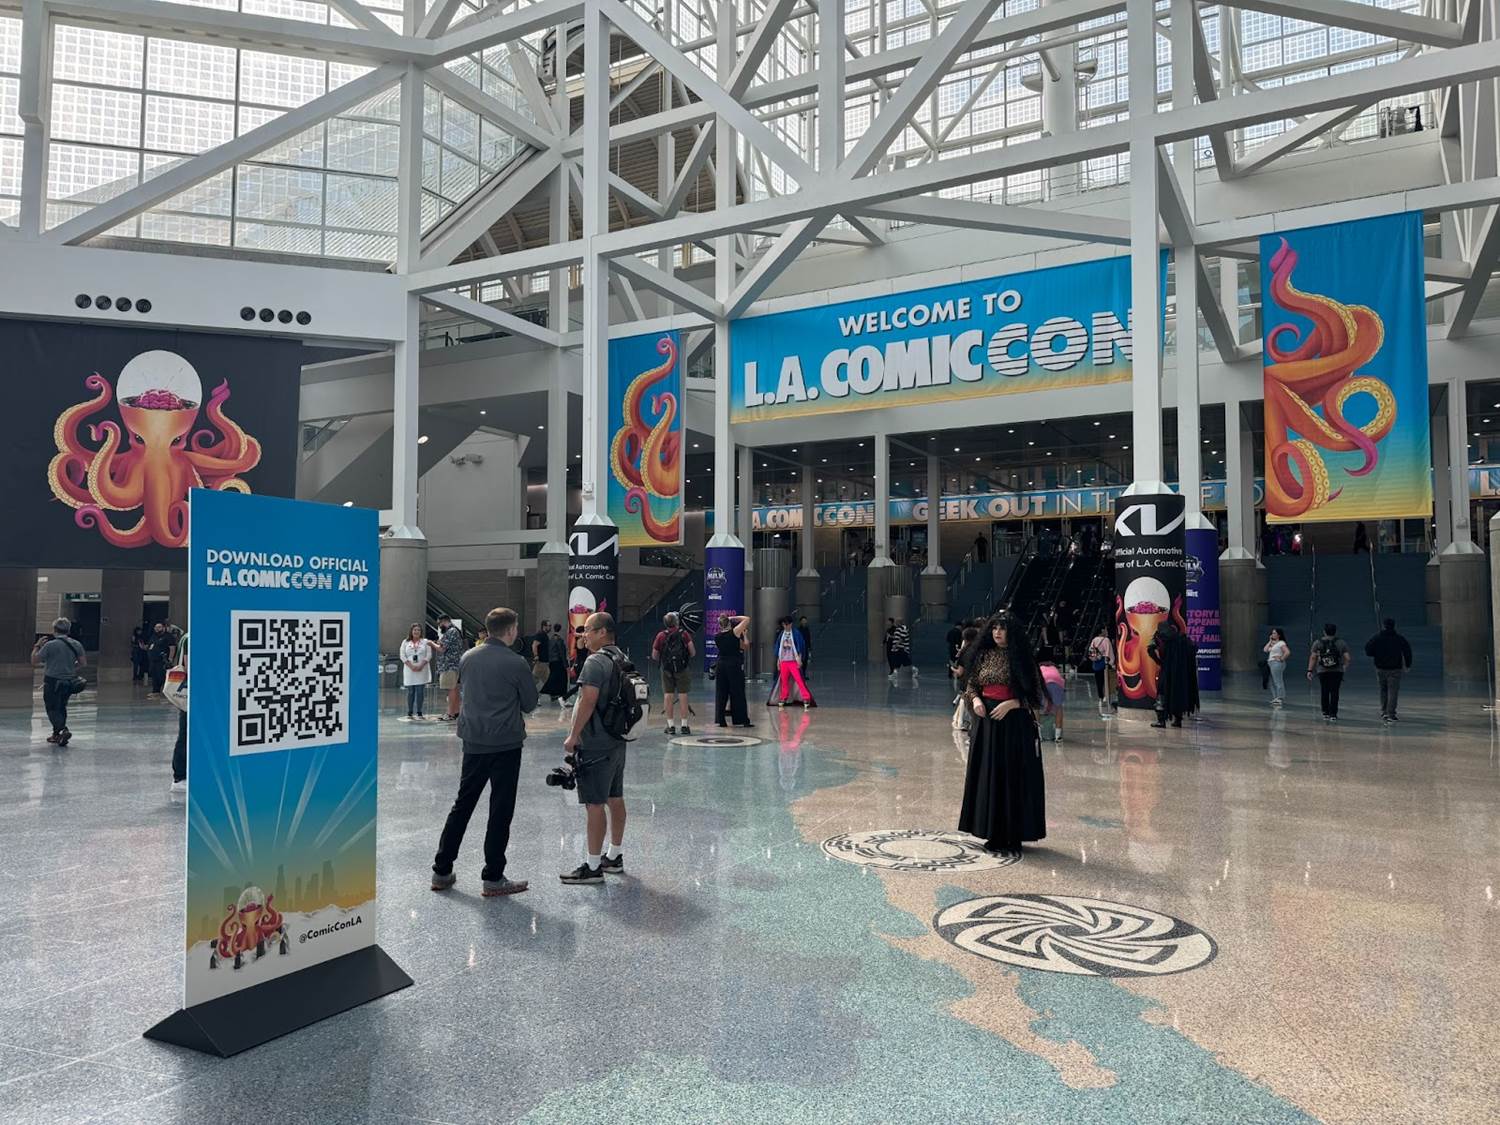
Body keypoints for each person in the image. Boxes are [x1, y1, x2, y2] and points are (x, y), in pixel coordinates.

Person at [431, 607, 537, 897]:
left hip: (474, 741)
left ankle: (442, 870)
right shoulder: (516, 662)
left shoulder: (468, 657)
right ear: (511, 630)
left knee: (463, 804)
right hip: (506, 743)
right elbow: (529, 703)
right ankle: (493, 876)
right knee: (500, 808)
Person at [958, 611, 1045, 857]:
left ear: (1011, 632)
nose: (997, 632)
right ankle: (992, 831)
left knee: (1012, 776)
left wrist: (1013, 704)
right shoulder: (983, 654)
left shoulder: (1022, 657)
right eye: (994, 627)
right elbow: (971, 685)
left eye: (1002, 628)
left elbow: (1036, 696)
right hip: (987, 724)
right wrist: (976, 700)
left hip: (1014, 726)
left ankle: (1013, 834)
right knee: (990, 775)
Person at [560, 612, 630, 885]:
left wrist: (573, 735)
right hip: (617, 740)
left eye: (588, 630)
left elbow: (588, 701)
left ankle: (592, 867)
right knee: (615, 796)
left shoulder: (595, 661)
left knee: (594, 803)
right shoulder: (621, 658)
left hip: (596, 743)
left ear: (602, 632)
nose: (583, 635)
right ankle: (614, 855)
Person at [33, 618, 84, 747]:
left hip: (52, 681)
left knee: (52, 708)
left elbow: (34, 660)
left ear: (54, 630)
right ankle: (56, 735)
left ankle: (63, 730)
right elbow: (83, 663)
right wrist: (70, 668)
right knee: (61, 706)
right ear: (68, 630)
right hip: (69, 681)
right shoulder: (76, 644)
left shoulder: (50, 645)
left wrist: (37, 645)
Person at [651, 612, 696, 736]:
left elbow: (654, 655)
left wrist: (664, 660)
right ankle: (684, 725)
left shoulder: (661, 635)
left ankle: (670, 726)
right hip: (682, 668)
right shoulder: (684, 634)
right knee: (683, 695)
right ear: (677, 622)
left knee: (668, 695)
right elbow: (693, 652)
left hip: (667, 669)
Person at [1148, 621, 1198, 728]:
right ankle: (1178, 720)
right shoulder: (1181, 638)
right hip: (1181, 672)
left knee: (1161, 694)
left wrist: (1160, 662)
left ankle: (1161, 721)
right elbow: (1194, 648)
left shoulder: (1159, 637)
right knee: (1177, 694)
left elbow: (1150, 649)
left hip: (1166, 670)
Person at [1364, 618, 1413, 724]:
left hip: (1380, 668)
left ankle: (1384, 711)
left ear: (1383, 626)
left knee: (1383, 690)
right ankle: (1391, 714)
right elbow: (1407, 651)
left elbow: (1368, 650)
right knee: (1393, 691)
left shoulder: (1377, 638)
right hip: (1395, 668)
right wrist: (1408, 664)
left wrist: (1376, 654)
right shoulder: (1399, 638)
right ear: (1394, 626)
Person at [712, 614, 752, 728]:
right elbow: (747, 619)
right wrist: (733, 618)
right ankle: (741, 719)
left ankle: (721, 719)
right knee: (737, 691)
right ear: (729, 623)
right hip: (734, 665)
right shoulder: (734, 633)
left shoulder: (717, 636)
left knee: (721, 692)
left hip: (721, 665)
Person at [1307, 622, 1351, 723]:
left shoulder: (1317, 643)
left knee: (1324, 691)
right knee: (1335, 692)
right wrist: (1344, 666)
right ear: (1335, 632)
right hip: (1337, 671)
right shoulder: (1341, 643)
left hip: (1322, 670)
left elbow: (1313, 657)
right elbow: (1348, 658)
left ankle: (1325, 713)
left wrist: (1309, 670)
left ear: (1324, 632)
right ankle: (1333, 714)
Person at [770, 615, 814, 708]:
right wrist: (778, 661)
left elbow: (801, 646)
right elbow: (779, 648)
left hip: (793, 661)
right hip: (784, 661)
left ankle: (806, 698)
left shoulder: (796, 633)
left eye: (787, 624)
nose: (785, 626)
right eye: (784, 624)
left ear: (791, 624)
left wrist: (800, 658)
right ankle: (783, 697)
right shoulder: (781, 634)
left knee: (799, 680)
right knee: (784, 681)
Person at [399, 623, 434, 721]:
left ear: (421, 632)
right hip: (409, 670)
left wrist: (421, 665)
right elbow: (402, 655)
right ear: (411, 631)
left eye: (418, 630)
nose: (416, 632)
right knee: (410, 692)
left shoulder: (425, 642)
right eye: (415, 630)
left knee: (420, 692)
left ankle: (419, 712)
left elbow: (429, 655)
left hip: (421, 669)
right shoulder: (405, 642)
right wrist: (411, 666)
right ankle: (410, 712)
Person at [950, 624, 981, 731]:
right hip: (977, 682)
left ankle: (964, 723)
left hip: (966, 683)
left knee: (966, 703)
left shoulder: (964, 652)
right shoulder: (980, 651)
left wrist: (953, 669)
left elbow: (960, 672)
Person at [169, 631, 189, 791]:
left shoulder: (187, 637)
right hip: (191, 694)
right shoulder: (191, 638)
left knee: (186, 734)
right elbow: (189, 667)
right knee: (185, 734)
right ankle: (180, 776)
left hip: (193, 694)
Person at [434, 614, 463, 721]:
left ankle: (450, 713)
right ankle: (456, 712)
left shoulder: (451, 631)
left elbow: (442, 649)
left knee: (451, 689)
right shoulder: (455, 631)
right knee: (454, 688)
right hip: (453, 665)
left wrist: (431, 644)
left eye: (439, 624)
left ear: (443, 621)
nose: (439, 626)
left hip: (449, 665)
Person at [1086, 625, 1114, 715]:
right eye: (1105, 629)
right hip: (1104, 663)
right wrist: (1112, 663)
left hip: (1096, 663)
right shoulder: (1106, 640)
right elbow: (1109, 653)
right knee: (1106, 681)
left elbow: (1091, 651)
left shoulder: (1094, 640)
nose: (1107, 631)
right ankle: (1106, 697)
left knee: (1098, 681)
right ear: (1102, 630)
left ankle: (1100, 697)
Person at [542, 622, 570, 708]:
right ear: (560, 629)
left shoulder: (551, 639)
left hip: (552, 662)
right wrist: (566, 664)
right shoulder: (559, 640)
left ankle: (554, 695)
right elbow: (561, 653)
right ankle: (564, 698)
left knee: (554, 678)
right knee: (563, 679)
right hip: (558, 662)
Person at [1263, 627, 1290, 707]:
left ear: (1279, 635)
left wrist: (1281, 658)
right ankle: (1276, 697)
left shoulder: (1281, 643)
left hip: (1276, 663)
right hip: (1271, 663)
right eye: (1272, 633)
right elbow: (1265, 650)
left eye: (1274, 633)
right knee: (1272, 680)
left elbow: (1287, 652)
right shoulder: (1274, 644)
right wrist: (1270, 641)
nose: (1272, 634)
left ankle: (1280, 697)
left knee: (1278, 680)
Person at [1040, 661, 1066, 742]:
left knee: (1036, 707)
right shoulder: (1055, 669)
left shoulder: (1040, 668)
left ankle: (1038, 735)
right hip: (1057, 682)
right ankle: (1058, 736)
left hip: (1042, 680)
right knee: (1059, 707)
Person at [146, 621, 174, 697]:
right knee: (154, 675)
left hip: (162, 660)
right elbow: (150, 646)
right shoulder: (153, 636)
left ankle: (167, 692)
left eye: (159, 627)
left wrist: (170, 658)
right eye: (156, 627)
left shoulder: (168, 636)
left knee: (162, 676)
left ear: (164, 628)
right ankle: (156, 691)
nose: (157, 629)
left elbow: (172, 647)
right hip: (153, 660)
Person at [530, 619, 550, 691]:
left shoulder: (544, 635)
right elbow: (534, 645)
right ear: (544, 626)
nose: (550, 627)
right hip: (541, 662)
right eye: (549, 625)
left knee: (547, 680)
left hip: (544, 662)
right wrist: (536, 656)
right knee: (534, 680)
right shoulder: (540, 634)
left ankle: (553, 694)